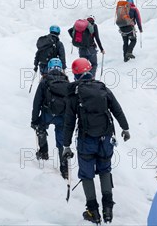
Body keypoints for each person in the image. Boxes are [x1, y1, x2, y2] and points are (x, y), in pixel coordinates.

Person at [62, 58, 130, 224]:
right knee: (105, 170)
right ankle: (108, 209)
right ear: (90, 71)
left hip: (86, 140)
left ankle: (93, 211)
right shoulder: (103, 88)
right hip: (105, 138)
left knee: (87, 175)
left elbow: (69, 122)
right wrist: (125, 128)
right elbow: (117, 109)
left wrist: (66, 145)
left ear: (76, 75)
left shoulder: (74, 94)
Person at [30, 58, 71, 179]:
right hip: (62, 116)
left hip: (47, 113)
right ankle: (64, 169)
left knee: (41, 128)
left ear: (49, 67)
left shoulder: (45, 80)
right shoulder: (67, 81)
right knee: (61, 142)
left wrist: (34, 120)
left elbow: (37, 102)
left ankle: (43, 153)